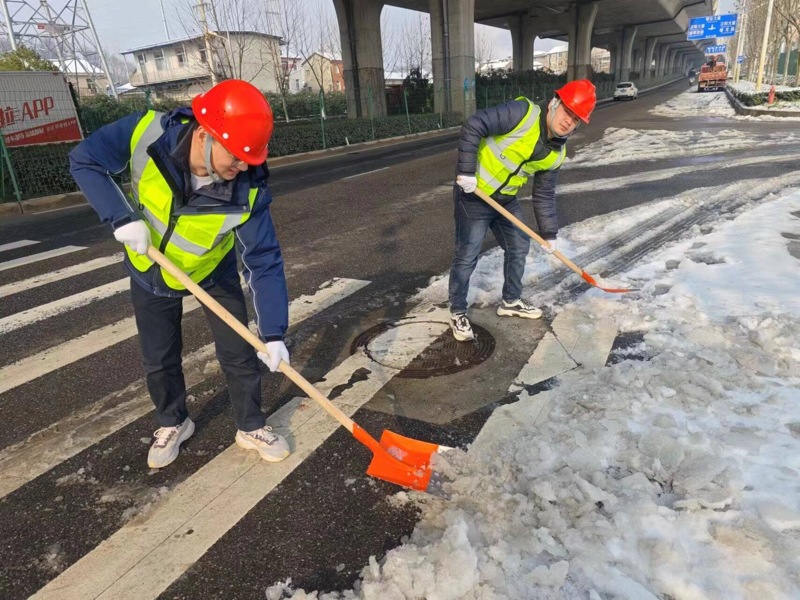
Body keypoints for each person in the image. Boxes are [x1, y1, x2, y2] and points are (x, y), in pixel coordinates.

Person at [70, 79, 291, 469]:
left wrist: (273, 332)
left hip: (212, 271)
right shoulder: (146, 133)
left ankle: (251, 425)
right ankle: (173, 421)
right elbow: (84, 160)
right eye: (236, 156)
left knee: (239, 352)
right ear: (205, 135)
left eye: (249, 158)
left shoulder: (249, 188)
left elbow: (264, 259)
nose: (242, 166)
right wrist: (120, 216)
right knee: (159, 357)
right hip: (150, 268)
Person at [448, 79, 597, 342]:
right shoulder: (523, 114)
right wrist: (466, 172)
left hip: (505, 200)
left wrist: (549, 233)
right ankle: (457, 311)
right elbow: (474, 124)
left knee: (519, 245)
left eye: (576, 119)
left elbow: (544, 194)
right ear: (554, 104)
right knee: (467, 254)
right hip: (474, 193)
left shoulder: (556, 155)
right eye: (567, 112)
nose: (568, 121)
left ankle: (511, 300)